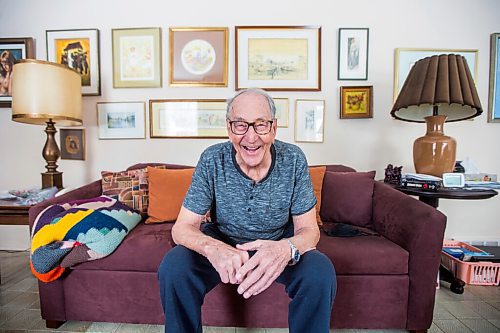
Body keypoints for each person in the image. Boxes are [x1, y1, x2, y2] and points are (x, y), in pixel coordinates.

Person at [158, 88, 336, 333]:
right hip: (224, 243)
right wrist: (214, 248)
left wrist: (285, 248)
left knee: (320, 271)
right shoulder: (212, 160)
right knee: (175, 264)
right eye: (240, 125)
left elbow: (309, 231)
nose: (251, 137)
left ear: (273, 128)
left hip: (276, 243)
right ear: (229, 128)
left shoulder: (293, 159)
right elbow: (182, 229)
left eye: (261, 125)